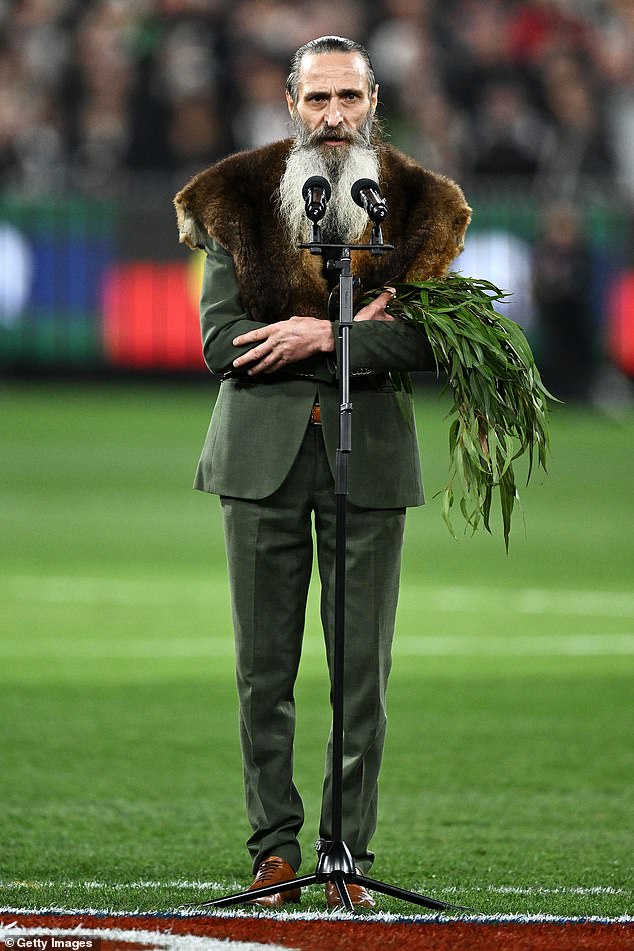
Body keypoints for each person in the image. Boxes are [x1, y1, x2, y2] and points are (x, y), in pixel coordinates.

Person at [174, 35, 470, 909]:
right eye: (317, 100)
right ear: (290, 105)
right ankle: (274, 853)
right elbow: (221, 343)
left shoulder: (423, 205)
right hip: (259, 458)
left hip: (369, 456)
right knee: (263, 673)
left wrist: (326, 335)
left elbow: (435, 336)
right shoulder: (235, 196)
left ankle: (347, 854)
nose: (333, 117)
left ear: (374, 99)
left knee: (361, 673)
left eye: (348, 98)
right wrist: (353, 332)